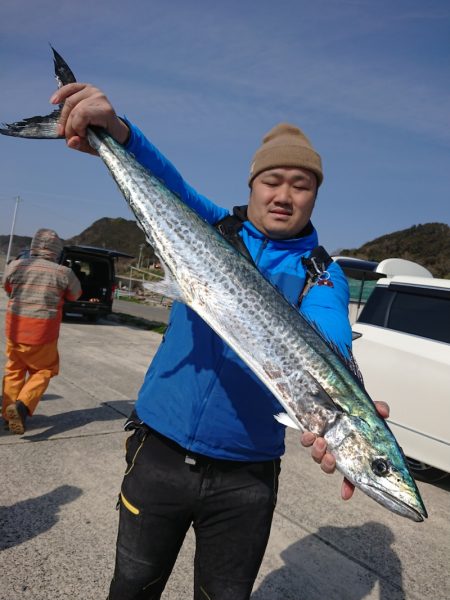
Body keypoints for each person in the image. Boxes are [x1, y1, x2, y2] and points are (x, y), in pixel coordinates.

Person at [51, 83, 389, 600]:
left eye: (301, 185)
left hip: (246, 477)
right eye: (272, 180)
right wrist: (116, 132)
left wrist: (345, 394)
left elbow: (328, 332)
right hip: (158, 452)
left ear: (315, 197)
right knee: (133, 585)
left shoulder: (323, 273)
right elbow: (167, 182)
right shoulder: (213, 227)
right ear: (252, 185)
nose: (283, 195)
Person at [2, 228, 82, 434]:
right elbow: (75, 295)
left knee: (14, 370)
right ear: (57, 250)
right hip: (42, 332)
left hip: (15, 329)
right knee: (44, 370)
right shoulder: (63, 272)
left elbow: (8, 288)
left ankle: (5, 414)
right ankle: (21, 405)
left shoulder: (15, 265)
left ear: (34, 245)